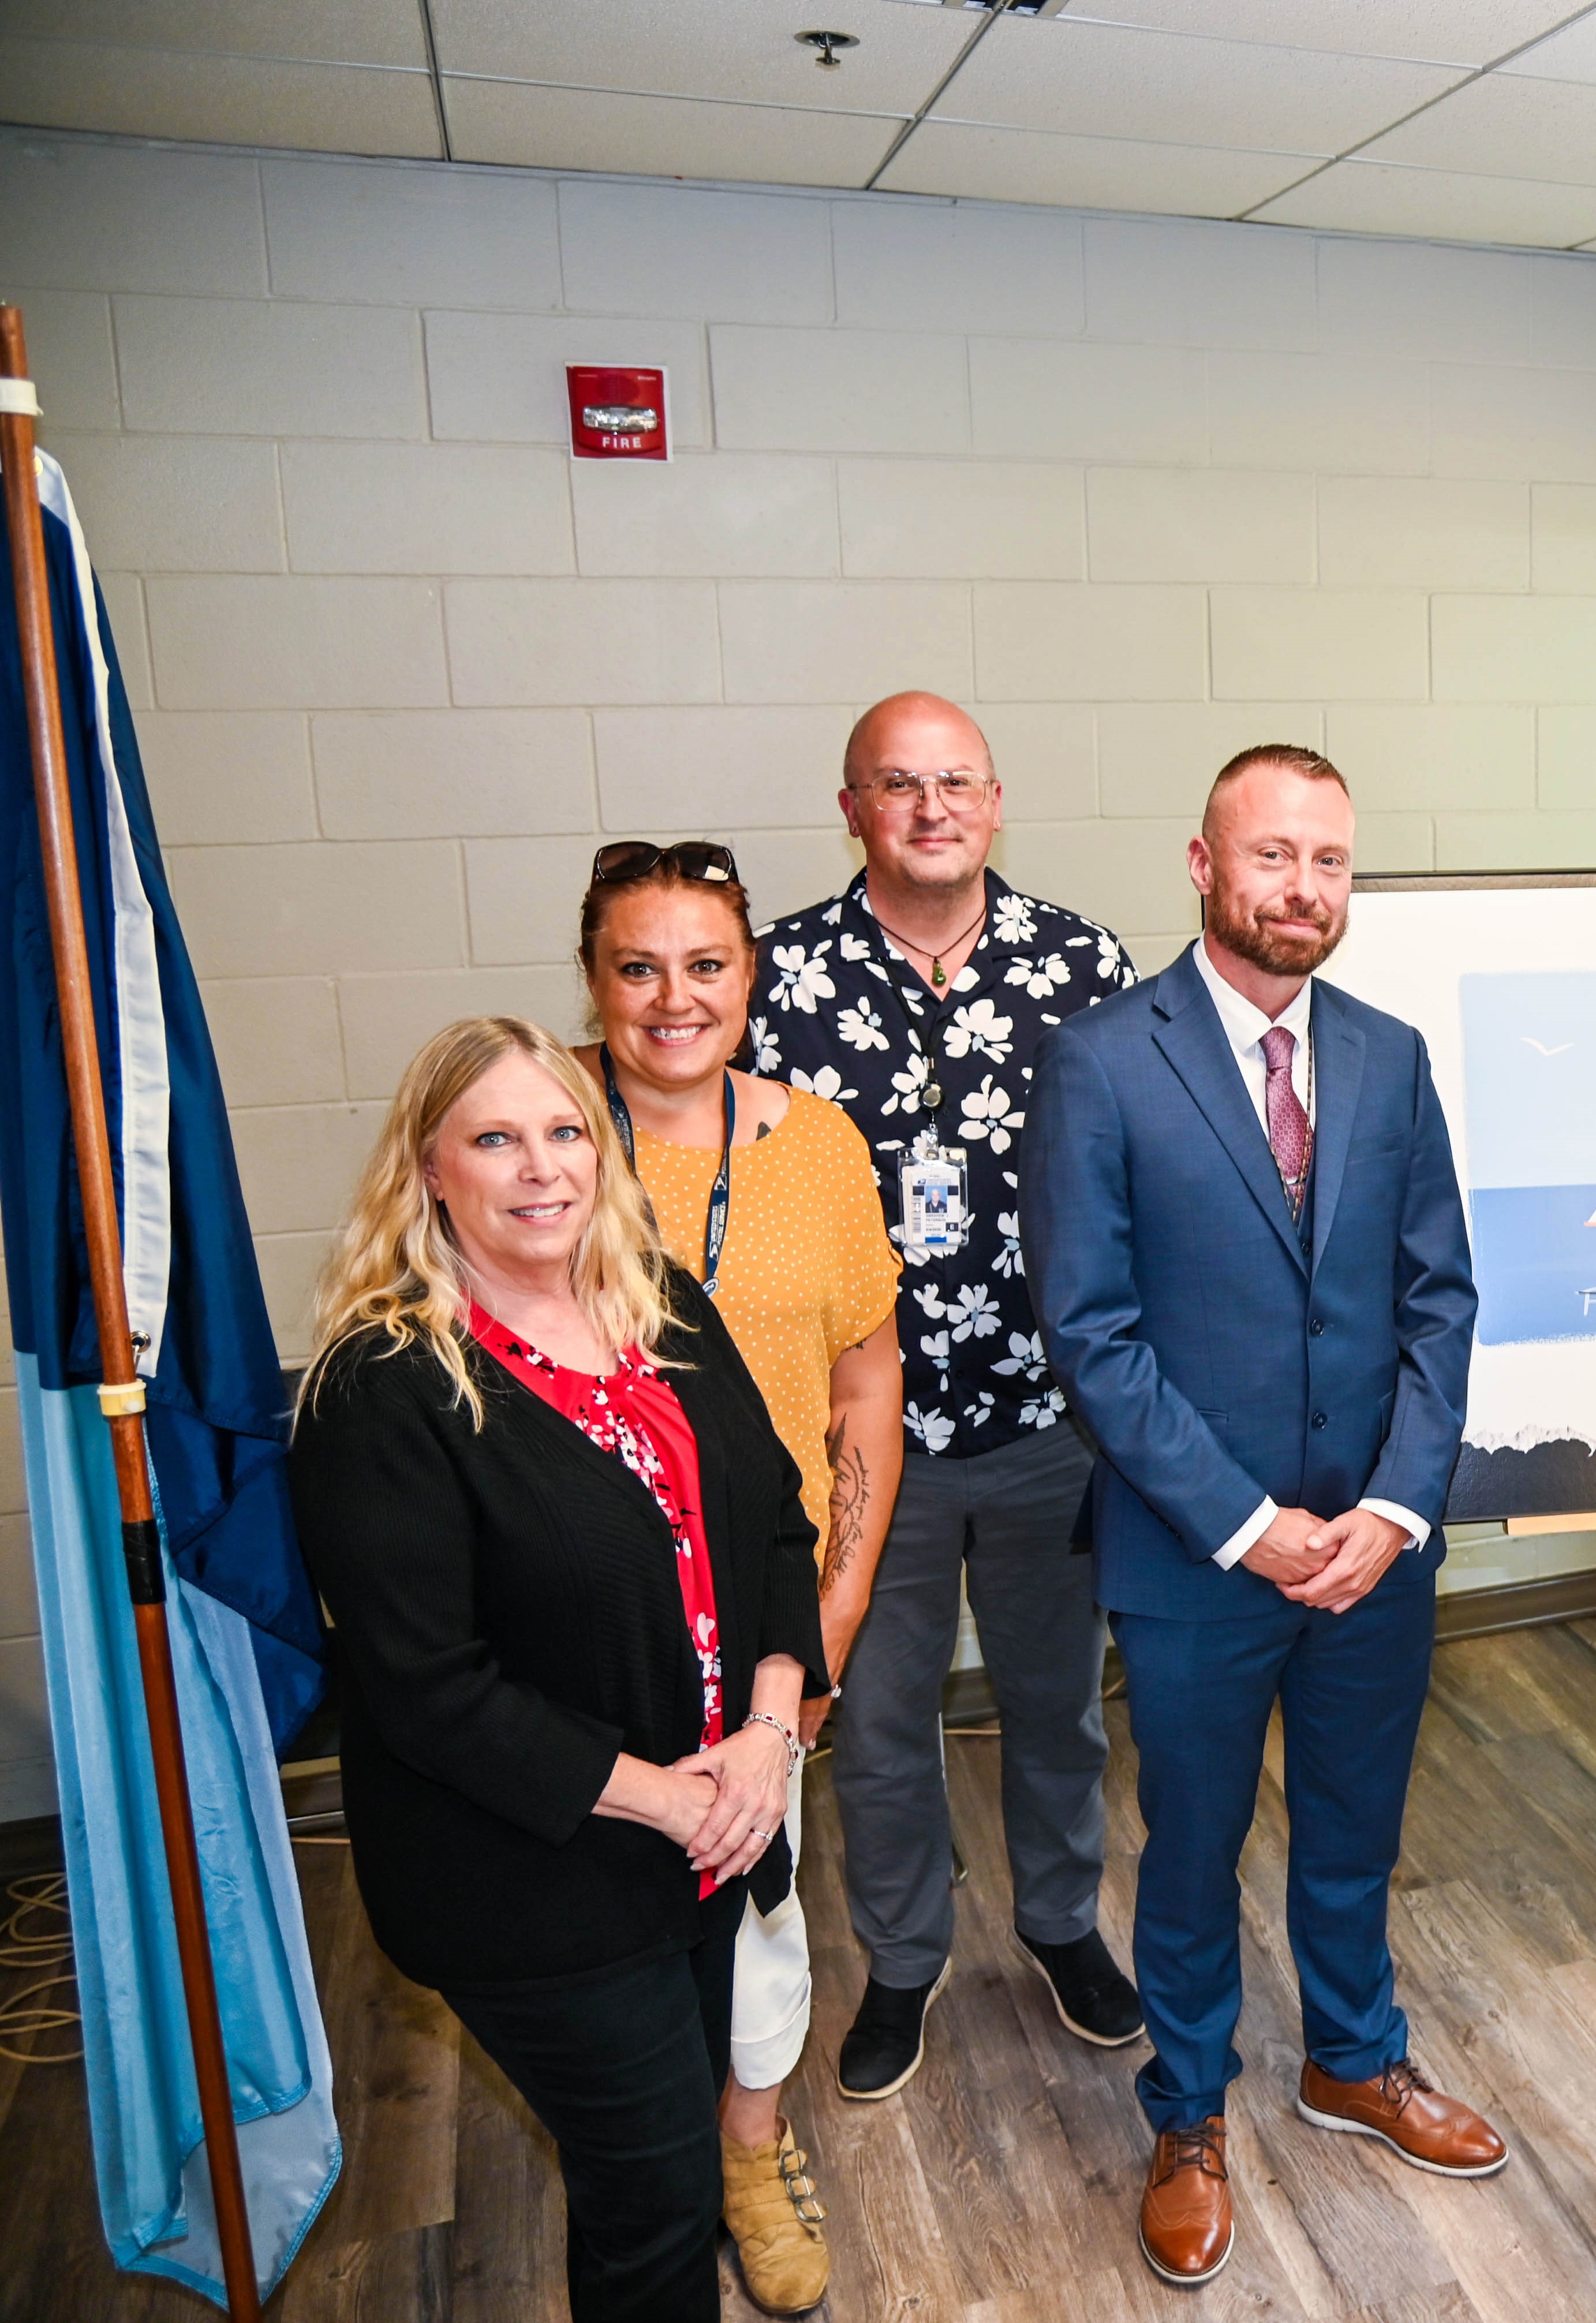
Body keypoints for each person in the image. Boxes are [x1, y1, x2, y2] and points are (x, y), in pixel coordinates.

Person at [1025, 744, 1495, 2290]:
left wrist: (1396, 1508)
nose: (1302, 889)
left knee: (1358, 1833)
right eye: (1273, 856)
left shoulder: (1389, 1055)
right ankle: (1187, 2112)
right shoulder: (1104, 1061)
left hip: (1373, 1555)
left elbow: (1440, 1303)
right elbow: (1091, 1333)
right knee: (1196, 1845)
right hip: (1195, 1559)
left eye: (1329, 863)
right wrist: (1245, 1526)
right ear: (1204, 864)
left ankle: (1355, 2062)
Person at [291, 1017, 824, 2323]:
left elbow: (773, 1521)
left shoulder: (659, 1302)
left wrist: (767, 1733)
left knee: (672, 2160)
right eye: (495, 1137)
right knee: (651, 2197)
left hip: (710, 1830)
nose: (541, 1168)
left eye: (565, 1129)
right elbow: (431, 1688)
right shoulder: (385, 1384)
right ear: (428, 1168)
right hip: (539, 1878)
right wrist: (672, 1796)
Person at [748, 692, 1144, 2102]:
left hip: (1052, 1417)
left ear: (995, 798)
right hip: (866, 1435)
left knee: (1059, 1701)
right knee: (881, 1715)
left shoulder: (1083, 961)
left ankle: (1059, 1925)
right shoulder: (775, 975)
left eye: (956, 781)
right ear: (851, 805)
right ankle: (904, 1958)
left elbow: (1145, 1171)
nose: (931, 807)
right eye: (897, 784)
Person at [579, 838, 903, 2315]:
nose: (672, 997)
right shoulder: (537, 1134)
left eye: (704, 963)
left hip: (765, 1611)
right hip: (586, 1604)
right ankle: (641, 2149)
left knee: (760, 1889)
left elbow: (863, 1386)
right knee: (612, 1893)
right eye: (637, 965)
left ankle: (751, 2143)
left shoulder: (818, 1145)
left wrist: (825, 1624)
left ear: (750, 974)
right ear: (592, 977)